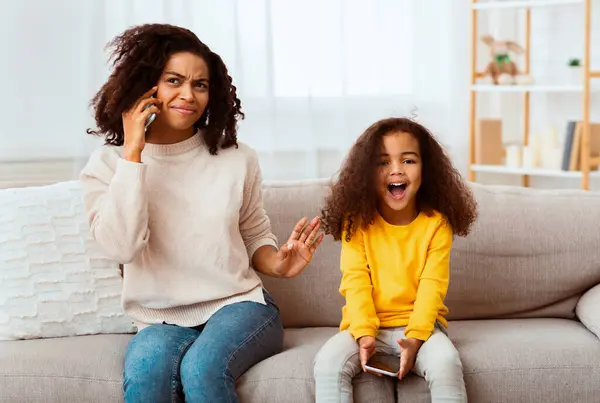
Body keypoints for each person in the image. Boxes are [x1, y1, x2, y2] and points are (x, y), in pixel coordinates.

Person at [79, 23, 324, 403]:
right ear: (147, 87)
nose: (188, 95)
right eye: (173, 80)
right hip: (158, 318)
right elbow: (121, 247)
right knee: (146, 380)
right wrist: (133, 154)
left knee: (202, 368)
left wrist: (278, 264)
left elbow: (254, 232)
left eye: (201, 85)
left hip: (239, 306)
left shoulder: (236, 158)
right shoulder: (109, 164)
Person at [314, 117, 478, 402]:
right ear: (366, 172)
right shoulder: (356, 223)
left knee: (446, 363)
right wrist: (364, 334)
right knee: (328, 362)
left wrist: (414, 339)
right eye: (382, 162)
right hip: (365, 327)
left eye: (409, 161)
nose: (396, 170)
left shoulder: (436, 224)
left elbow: (432, 287)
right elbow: (355, 281)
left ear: (427, 170)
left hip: (422, 329)